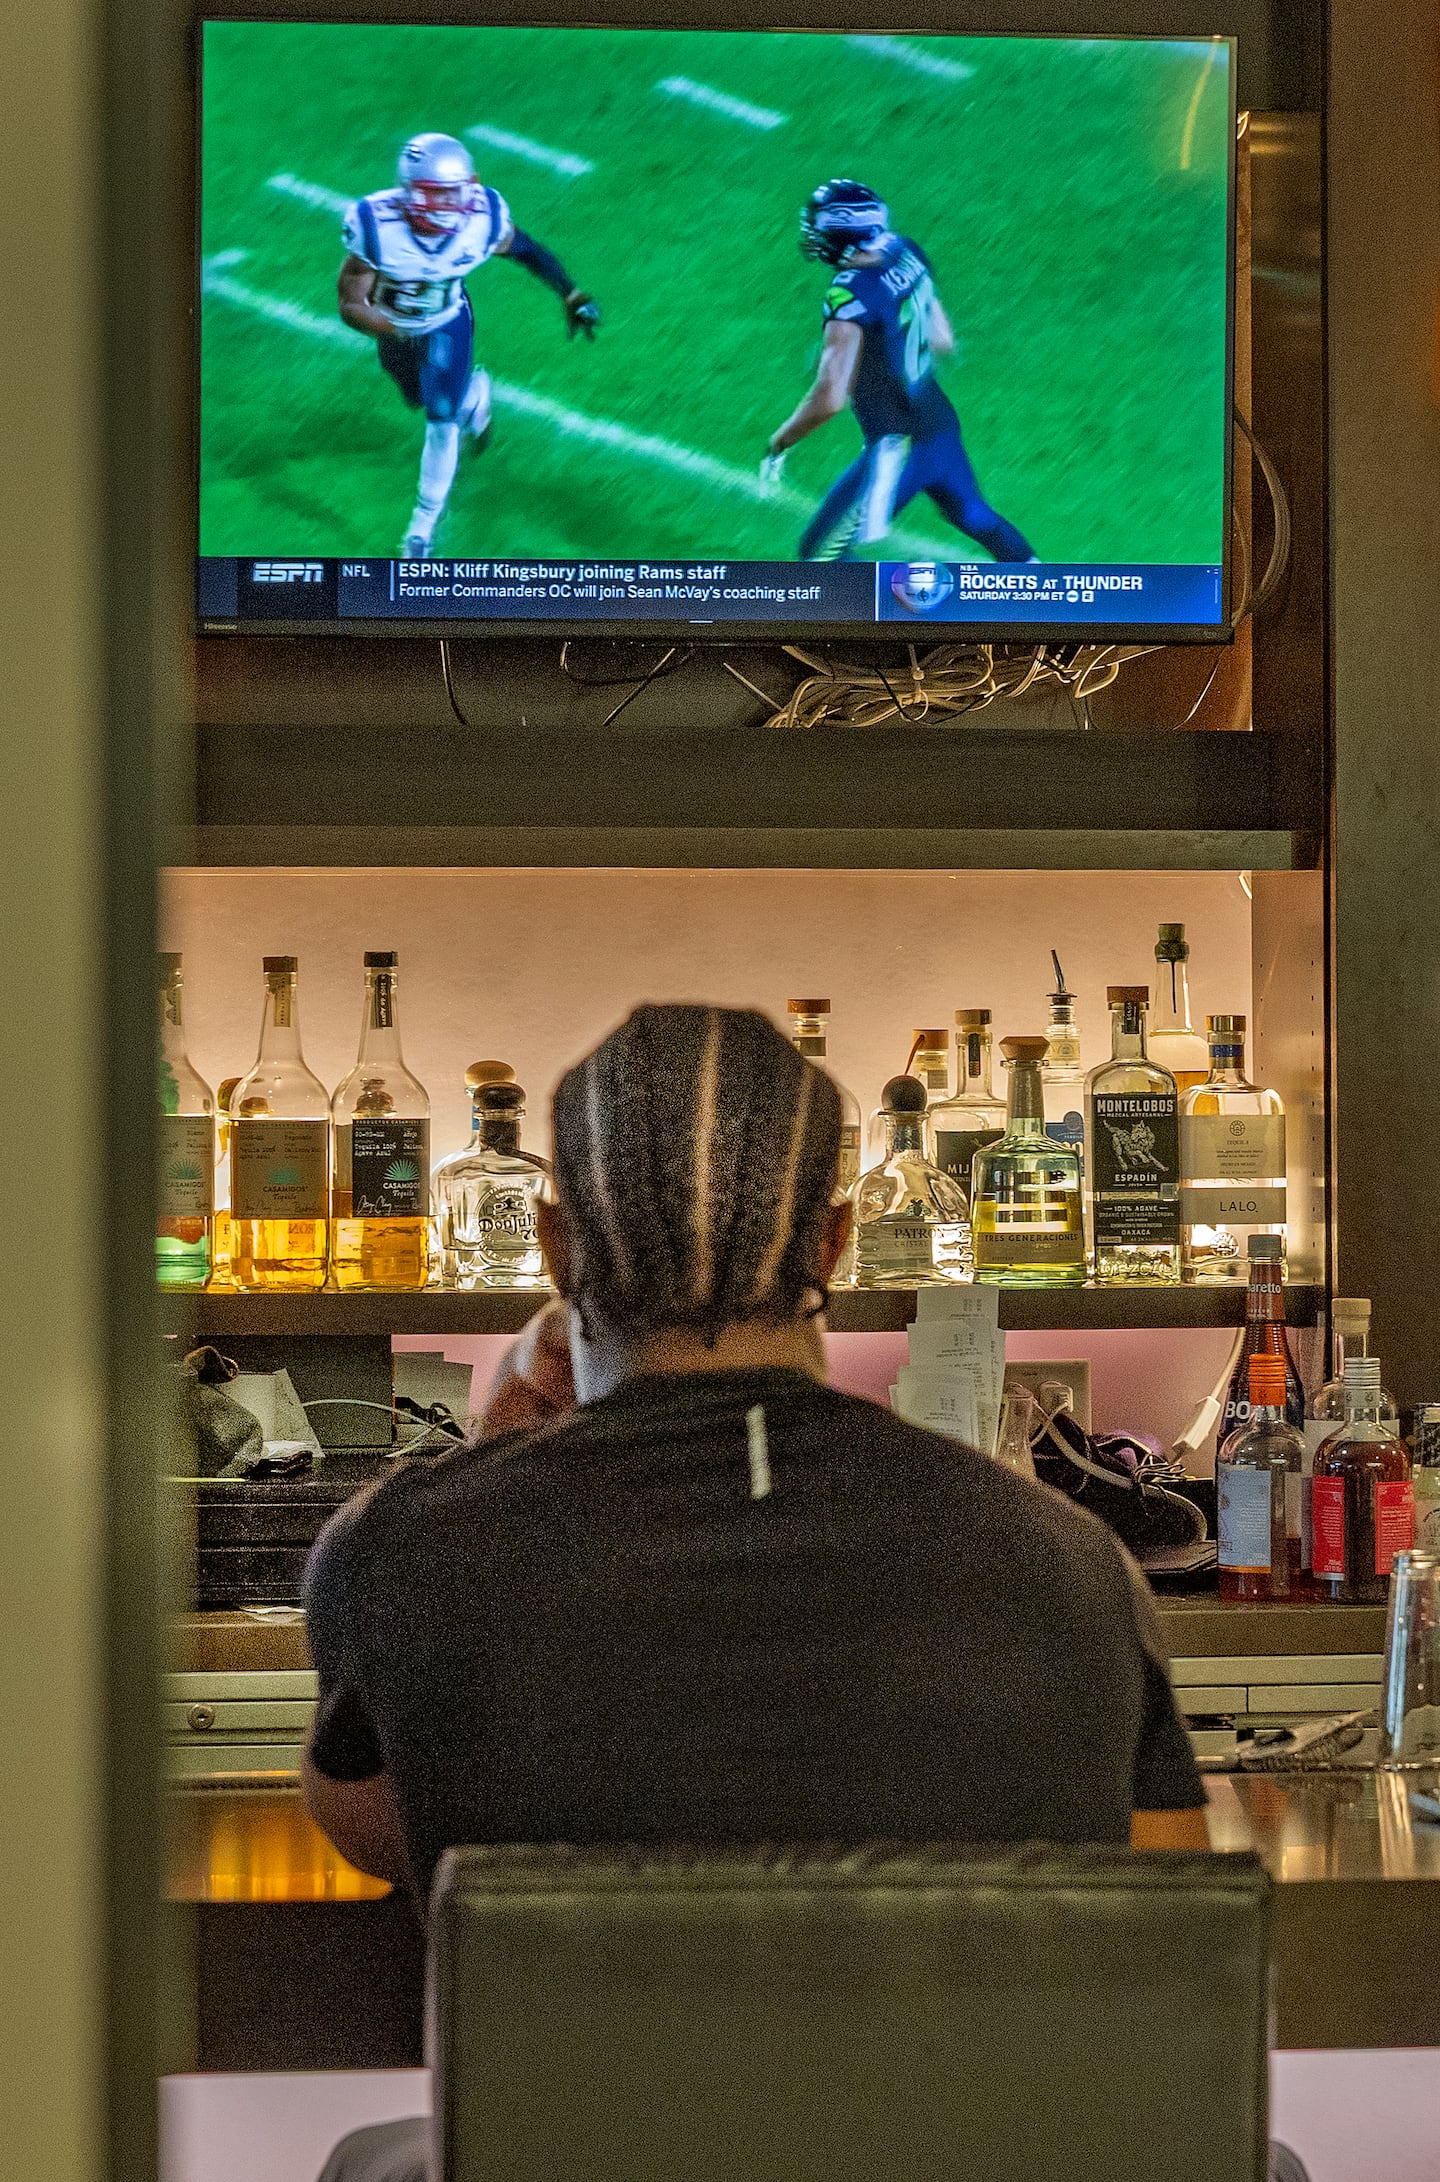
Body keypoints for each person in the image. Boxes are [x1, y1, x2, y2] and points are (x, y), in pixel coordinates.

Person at [305, 1002, 1210, 2182]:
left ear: (555, 1248)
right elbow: (1162, 1889)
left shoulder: (401, 1554)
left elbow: (382, 1828)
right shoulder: (1066, 1559)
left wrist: (490, 1455)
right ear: (834, 1244)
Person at [338, 132, 600, 559]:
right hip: (396, 329)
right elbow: (350, 301)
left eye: (453, 193)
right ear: (409, 193)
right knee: (418, 397)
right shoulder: (375, 224)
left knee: (441, 420)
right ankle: (475, 396)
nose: (446, 205)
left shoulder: (483, 217)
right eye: (434, 195)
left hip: (446, 322)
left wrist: (569, 293)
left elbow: (525, 249)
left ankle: (420, 530)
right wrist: (388, 328)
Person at [761, 179, 1036, 565]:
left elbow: (830, 398)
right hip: (937, 421)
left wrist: (780, 442)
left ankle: (912, 613)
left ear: (841, 235)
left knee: (821, 557)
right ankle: (1052, 597)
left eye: (819, 229)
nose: (814, 237)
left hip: (897, 447)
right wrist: (875, 353)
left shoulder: (847, 295)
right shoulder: (905, 251)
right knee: (974, 514)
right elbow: (942, 339)